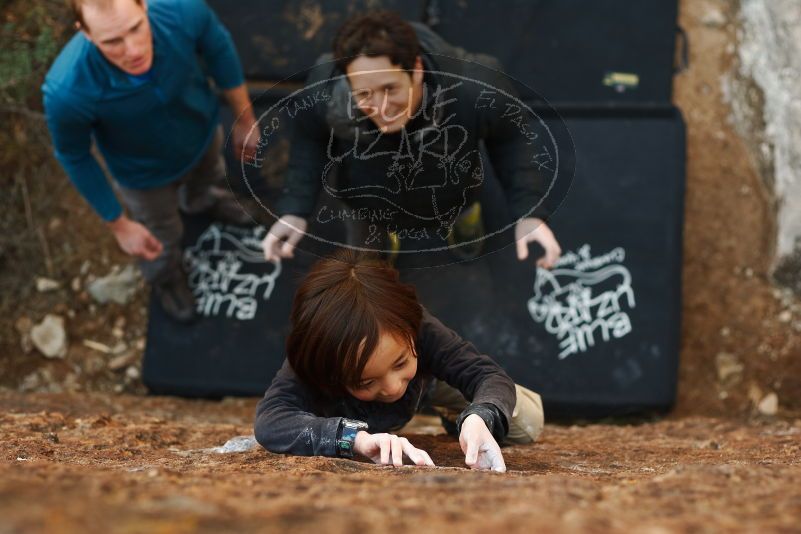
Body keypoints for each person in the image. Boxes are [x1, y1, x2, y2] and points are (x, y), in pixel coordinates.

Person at [261, 10, 561, 267]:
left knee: (463, 212)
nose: (380, 108)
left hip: (453, 189)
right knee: (367, 246)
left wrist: (529, 212)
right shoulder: (324, 91)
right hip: (366, 198)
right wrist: (295, 209)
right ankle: (378, 249)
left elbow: (511, 141)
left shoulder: (477, 88)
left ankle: (462, 228)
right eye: (364, 93)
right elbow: (309, 142)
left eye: (390, 89)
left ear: (416, 69)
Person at [43, 0, 259, 322]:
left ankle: (201, 201)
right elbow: (74, 155)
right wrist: (117, 223)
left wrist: (244, 118)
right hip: (144, 176)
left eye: (135, 28)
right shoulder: (68, 90)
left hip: (200, 134)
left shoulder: (181, 11)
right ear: (85, 33)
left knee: (210, 176)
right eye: (112, 41)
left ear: (144, 5)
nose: (132, 50)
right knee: (161, 236)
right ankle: (166, 278)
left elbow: (218, 46)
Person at [254, 250, 544, 471]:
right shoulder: (313, 359)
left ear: (411, 332)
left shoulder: (420, 327)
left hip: (425, 387)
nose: (392, 387)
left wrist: (481, 416)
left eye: (399, 362)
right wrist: (353, 438)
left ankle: (458, 416)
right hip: (348, 413)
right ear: (329, 371)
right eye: (365, 380)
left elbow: (487, 376)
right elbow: (271, 422)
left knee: (527, 421)